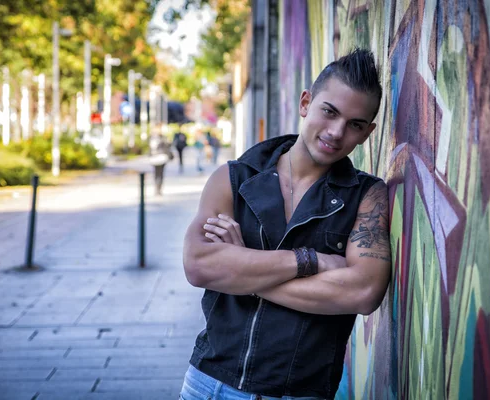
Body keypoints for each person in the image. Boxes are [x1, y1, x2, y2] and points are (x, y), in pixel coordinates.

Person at [180, 49, 391, 400]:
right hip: (208, 384)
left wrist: (240, 268)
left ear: (367, 133)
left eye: (354, 124)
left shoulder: (367, 197)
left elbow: (363, 292)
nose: (337, 132)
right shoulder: (234, 179)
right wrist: (312, 261)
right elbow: (198, 265)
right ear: (306, 102)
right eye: (329, 112)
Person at [148, 130, 173, 196]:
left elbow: (168, 146)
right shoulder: (152, 138)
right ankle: (157, 188)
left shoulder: (162, 138)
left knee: (159, 174)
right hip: (156, 158)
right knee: (158, 174)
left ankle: (158, 188)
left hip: (161, 158)